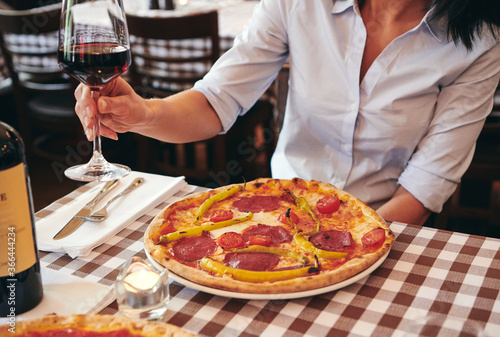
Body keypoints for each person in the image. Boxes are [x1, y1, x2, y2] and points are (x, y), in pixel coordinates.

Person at [73, 0, 500, 226]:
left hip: (387, 225)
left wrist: (342, 241)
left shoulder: (481, 39)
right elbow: (214, 102)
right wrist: (141, 113)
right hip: (279, 209)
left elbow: (424, 189)